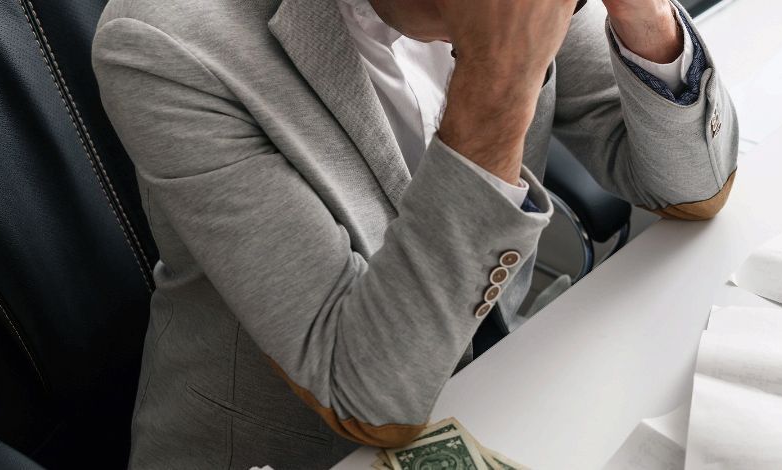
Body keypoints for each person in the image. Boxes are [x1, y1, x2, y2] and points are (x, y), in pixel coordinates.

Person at [92, 0, 737, 466]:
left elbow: (692, 185)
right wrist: (501, 71)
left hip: (505, 387)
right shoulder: (161, 39)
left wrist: (644, 15)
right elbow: (366, 395)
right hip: (302, 447)